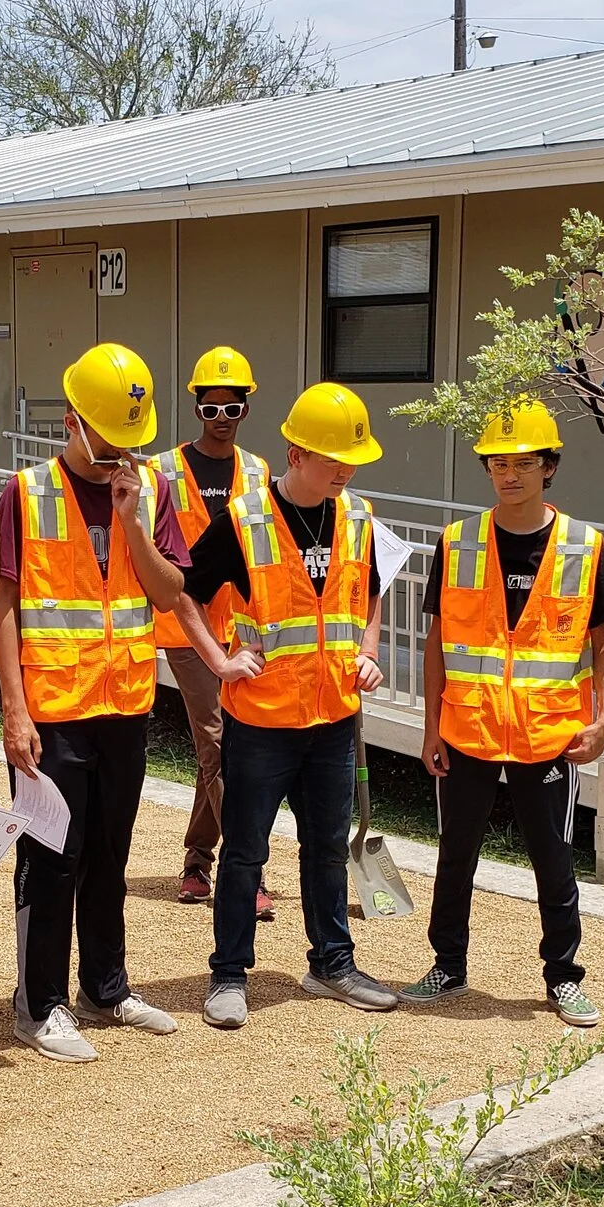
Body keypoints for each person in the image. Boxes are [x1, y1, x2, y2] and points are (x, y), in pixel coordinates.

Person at [0, 343, 221, 1062]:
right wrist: (15, 710)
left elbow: (168, 593)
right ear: (72, 423)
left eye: (129, 438)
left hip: (123, 705)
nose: (118, 451)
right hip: (53, 709)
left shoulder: (148, 489)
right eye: (107, 437)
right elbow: (3, 606)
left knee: (109, 854)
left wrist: (129, 523)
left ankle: (105, 984)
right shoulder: (23, 494)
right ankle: (39, 1002)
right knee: (50, 855)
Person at [179, 382, 399, 1029]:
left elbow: (371, 591)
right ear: (296, 452)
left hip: (332, 719)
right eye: (335, 458)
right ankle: (227, 972)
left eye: (352, 459)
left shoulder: (358, 516)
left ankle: (332, 962)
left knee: (327, 845)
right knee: (245, 850)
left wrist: (369, 649)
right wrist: (219, 661)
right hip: (261, 723)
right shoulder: (245, 520)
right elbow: (183, 593)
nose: (347, 469)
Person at [397, 401, 604, 1025]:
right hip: (467, 728)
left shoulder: (583, 546)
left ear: (549, 467)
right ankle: (447, 965)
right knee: (455, 852)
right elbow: (438, 641)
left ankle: (563, 976)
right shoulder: (457, 541)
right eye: (499, 463)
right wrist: (430, 727)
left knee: (553, 855)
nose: (510, 474)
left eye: (524, 462)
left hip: (551, 735)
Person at [151, 345, 277, 918]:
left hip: (242, 630)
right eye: (211, 408)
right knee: (218, 743)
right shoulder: (163, 470)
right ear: (196, 406)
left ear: (247, 408)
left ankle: (198, 860)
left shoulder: (258, 472)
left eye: (232, 409)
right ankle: (246, 871)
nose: (221, 419)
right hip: (186, 626)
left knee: (223, 749)